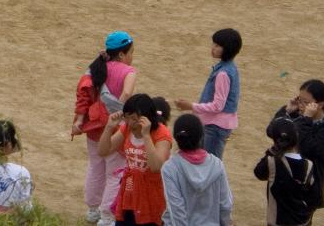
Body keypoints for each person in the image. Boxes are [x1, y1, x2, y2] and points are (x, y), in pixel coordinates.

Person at [74, 31, 138, 226]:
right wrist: (118, 113)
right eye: (131, 52)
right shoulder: (129, 71)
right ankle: (107, 216)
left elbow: (84, 94)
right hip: (115, 128)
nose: (132, 56)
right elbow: (127, 92)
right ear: (121, 54)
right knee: (115, 172)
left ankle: (92, 210)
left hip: (94, 127)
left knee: (95, 167)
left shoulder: (96, 67)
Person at [99, 93, 173, 226]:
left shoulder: (162, 134)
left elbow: (156, 166)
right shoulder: (127, 128)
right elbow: (103, 151)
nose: (129, 122)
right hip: (130, 189)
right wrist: (109, 127)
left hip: (151, 193)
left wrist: (146, 136)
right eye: (127, 117)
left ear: (146, 118)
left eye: (134, 118)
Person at [271, 79, 324, 215]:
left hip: (308, 187)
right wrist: (286, 111)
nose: (301, 105)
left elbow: (306, 148)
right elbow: (273, 131)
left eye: (306, 102)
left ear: (320, 104)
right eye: (300, 100)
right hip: (288, 180)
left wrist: (305, 119)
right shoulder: (298, 115)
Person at [173, 29, 241, 159]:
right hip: (217, 125)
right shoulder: (229, 67)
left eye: (217, 45)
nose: (213, 48)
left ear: (227, 49)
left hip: (215, 127)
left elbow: (218, 106)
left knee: (210, 164)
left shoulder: (223, 73)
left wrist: (191, 106)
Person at [161, 114, 234, 226]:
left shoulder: (170, 168)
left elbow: (176, 210)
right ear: (201, 137)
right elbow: (225, 205)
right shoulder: (217, 164)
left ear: (176, 138)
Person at [253, 117, 318, 226]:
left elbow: (259, 172)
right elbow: (312, 194)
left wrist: (272, 150)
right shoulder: (308, 164)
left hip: (278, 221)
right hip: (302, 220)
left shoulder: (272, 162)